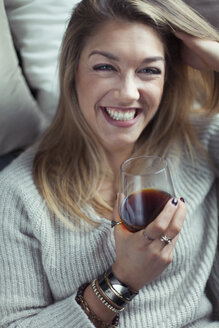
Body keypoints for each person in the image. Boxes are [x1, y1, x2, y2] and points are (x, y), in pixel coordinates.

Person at [0, 0, 219, 327]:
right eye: (105, 67)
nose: (128, 93)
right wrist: (123, 279)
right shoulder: (18, 195)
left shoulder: (201, 141)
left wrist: (214, 54)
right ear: (73, 70)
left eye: (149, 70)